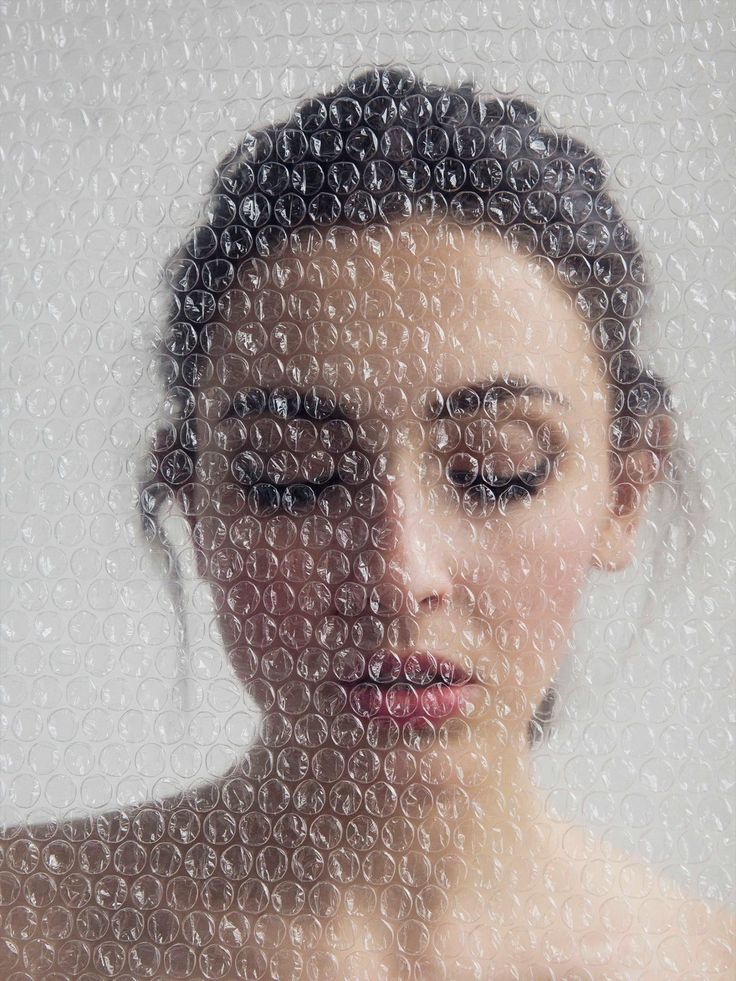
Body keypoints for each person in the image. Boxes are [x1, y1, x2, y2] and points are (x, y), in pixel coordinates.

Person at [1, 64, 733, 981]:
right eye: (292, 477)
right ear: (196, 505)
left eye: (495, 470)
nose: (397, 571)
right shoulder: (23, 930)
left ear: (624, 492)